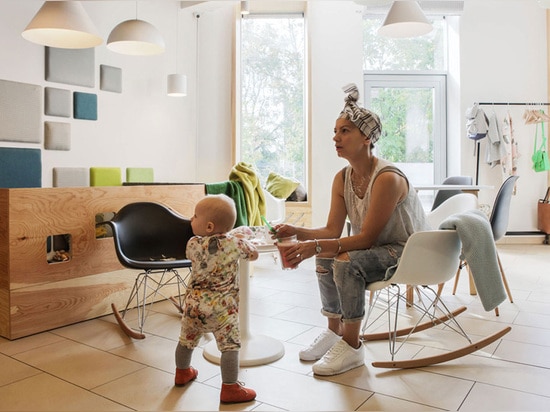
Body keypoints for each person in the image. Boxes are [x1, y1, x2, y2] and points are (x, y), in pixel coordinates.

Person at [273, 83, 429, 376]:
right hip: (376, 249)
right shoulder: (342, 177)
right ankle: (334, 331)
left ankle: (352, 345)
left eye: (345, 131)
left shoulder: (387, 178)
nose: (336, 137)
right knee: (326, 257)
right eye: (335, 131)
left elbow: (366, 238)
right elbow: (333, 230)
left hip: (408, 251)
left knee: (343, 261)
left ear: (367, 137)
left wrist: (316, 246)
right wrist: (295, 230)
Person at [174, 194, 259, 404]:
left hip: (193, 306)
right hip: (222, 310)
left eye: (195, 216)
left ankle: (182, 372)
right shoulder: (235, 244)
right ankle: (230, 388)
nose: (191, 219)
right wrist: (240, 239)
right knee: (230, 347)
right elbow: (253, 254)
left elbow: (210, 248)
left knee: (186, 341)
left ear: (209, 226)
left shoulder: (192, 243)